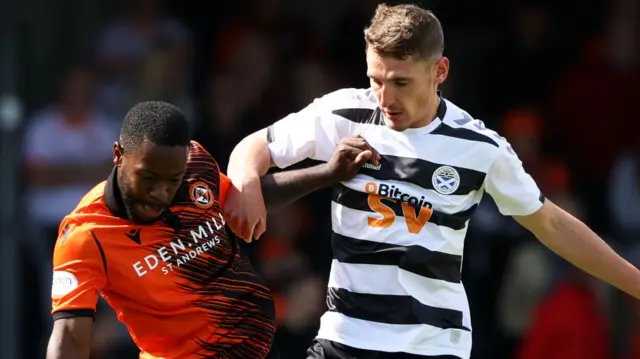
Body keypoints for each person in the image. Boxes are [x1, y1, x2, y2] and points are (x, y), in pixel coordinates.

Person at [225, 3, 640, 359]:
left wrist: (634, 282)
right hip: (345, 338)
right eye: (376, 79)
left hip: (431, 345)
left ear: (439, 70)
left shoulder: (479, 145)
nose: (385, 98)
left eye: (401, 82)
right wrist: (245, 180)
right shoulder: (344, 112)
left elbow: (549, 223)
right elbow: (255, 146)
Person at [46, 101, 377, 359]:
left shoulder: (196, 167)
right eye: (148, 178)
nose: (161, 193)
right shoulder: (84, 236)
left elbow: (245, 202)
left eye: (171, 180)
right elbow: (71, 335)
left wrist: (328, 173)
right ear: (118, 155)